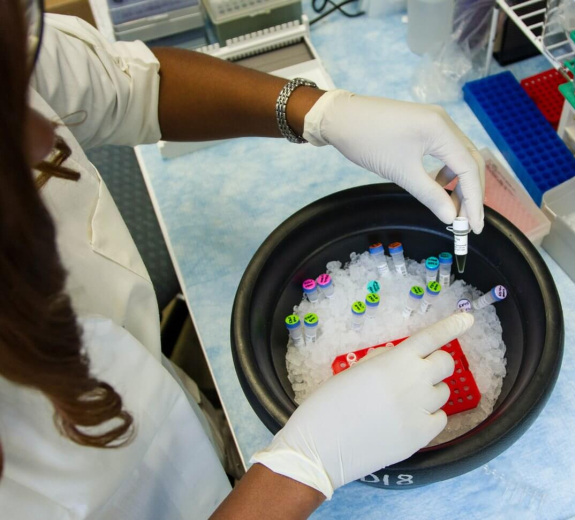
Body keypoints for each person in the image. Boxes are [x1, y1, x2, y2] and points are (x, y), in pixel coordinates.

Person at [0, 1, 484, 518]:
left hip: (156, 405)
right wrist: (299, 472)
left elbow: (128, 87)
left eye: (19, 87)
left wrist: (321, 111)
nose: (49, 135)